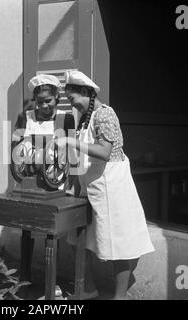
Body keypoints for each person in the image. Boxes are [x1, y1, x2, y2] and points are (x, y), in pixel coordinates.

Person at [56, 70, 155, 300]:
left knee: (118, 243)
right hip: (91, 185)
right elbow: (84, 156)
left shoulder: (104, 114)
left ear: (85, 92)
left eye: (73, 100)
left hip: (111, 186)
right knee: (76, 237)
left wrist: (71, 141)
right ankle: (89, 289)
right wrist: (76, 184)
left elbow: (104, 152)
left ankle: (119, 296)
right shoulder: (86, 118)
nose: (73, 105)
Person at [11, 74, 75, 185]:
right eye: (39, 102)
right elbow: (15, 147)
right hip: (29, 180)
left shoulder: (66, 119)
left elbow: (72, 152)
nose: (44, 106)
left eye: (48, 100)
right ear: (35, 99)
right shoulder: (25, 118)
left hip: (56, 178)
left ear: (56, 96)